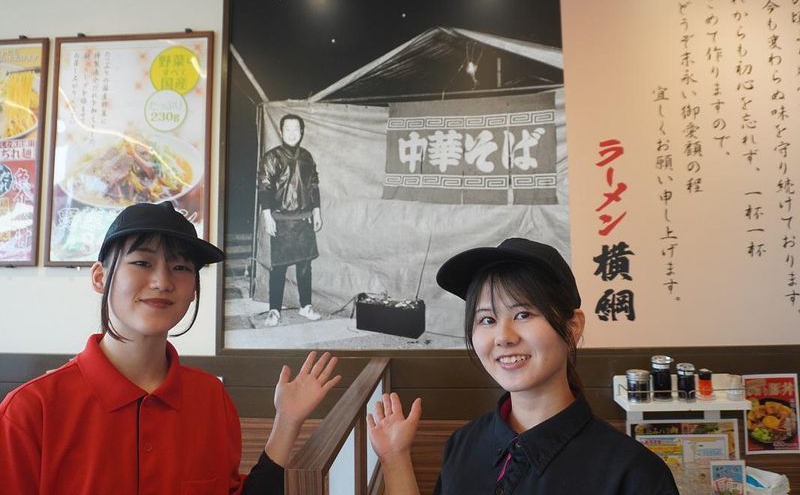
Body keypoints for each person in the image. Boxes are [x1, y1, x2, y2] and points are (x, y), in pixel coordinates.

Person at [0, 201, 341, 494]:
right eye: (142, 263)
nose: (163, 281)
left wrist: (287, 421)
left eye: (180, 267)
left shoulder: (211, 399)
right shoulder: (30, 411)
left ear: (193, 290)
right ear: (100, 277)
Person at [367, 238, 679, 495]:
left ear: (572, 328)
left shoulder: (633, 474)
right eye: (487, 319)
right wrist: (395, 458)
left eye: (523, 315)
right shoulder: (463, 445)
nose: (503, 337)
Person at [257, 113, 323, 326]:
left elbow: (313, 185)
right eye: (288, 129)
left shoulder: (307, 157)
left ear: (301, 132)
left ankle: (306, 306)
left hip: (304, 219)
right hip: (281, 219)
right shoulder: (272, 157)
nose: (292, 133)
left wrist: (317, 211)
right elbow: (264, 186)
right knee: (279, 267)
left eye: (296, 129)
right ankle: (274, 310)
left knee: (305, 265)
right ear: (281, 131)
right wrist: (267, 215)